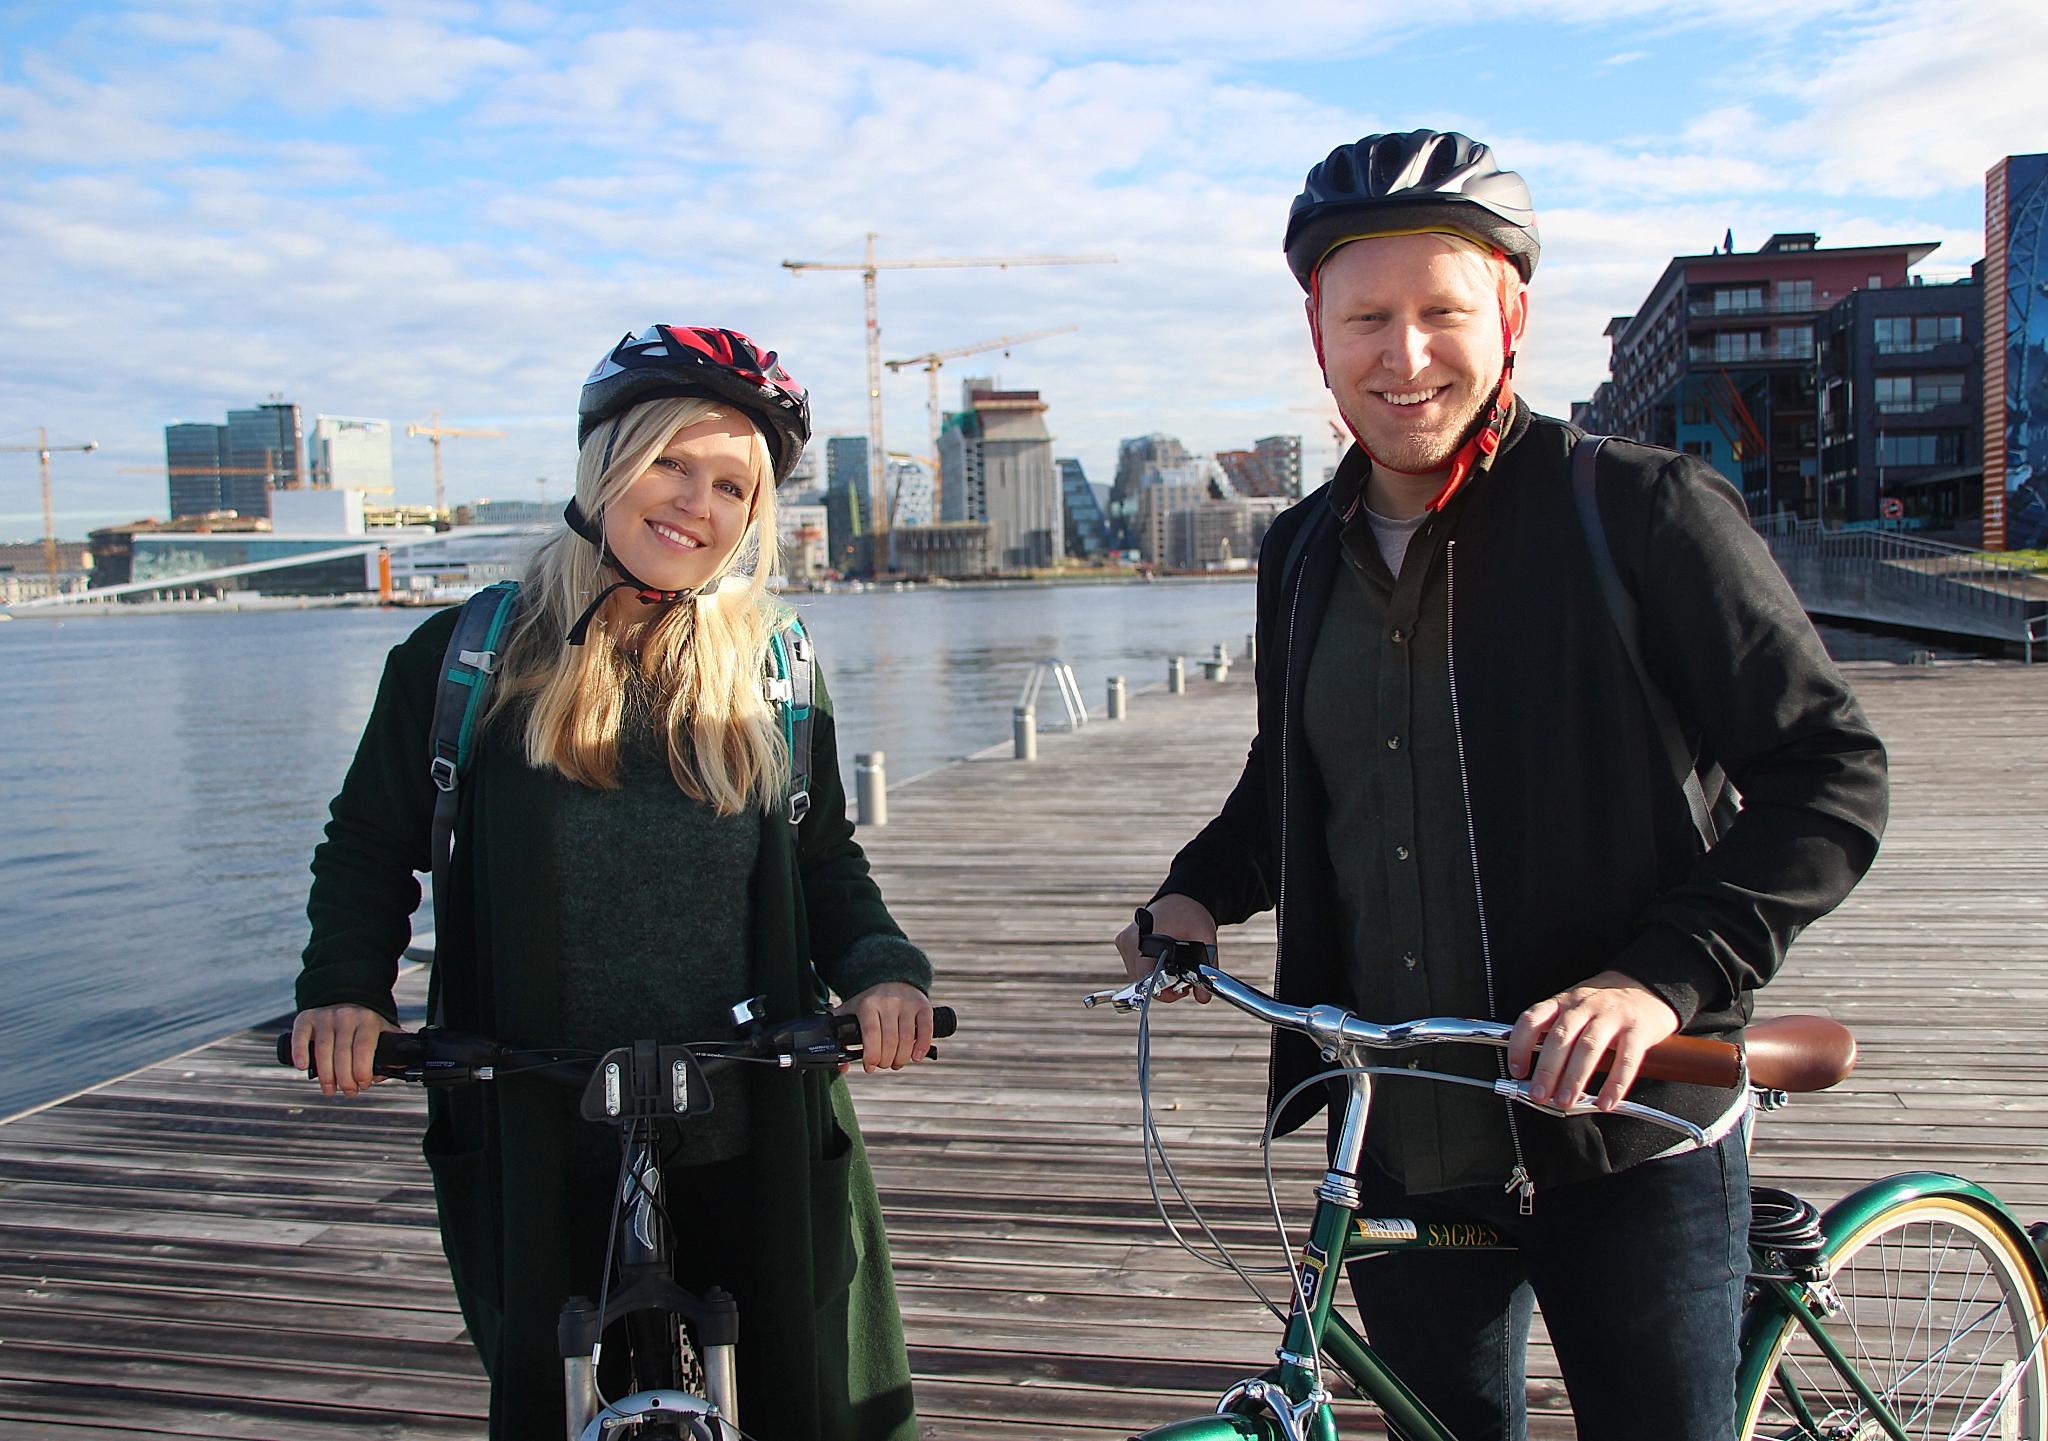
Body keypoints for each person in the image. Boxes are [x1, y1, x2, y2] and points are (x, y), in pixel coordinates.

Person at [1114, 131, 1888, 1441]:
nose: (1403, 355)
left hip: (1632, 1136)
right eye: (1368, 316)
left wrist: (1657, 977)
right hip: (1403, 1142)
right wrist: (1194, 896)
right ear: (1317, 333)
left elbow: (1829, 775)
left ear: (1511, 315)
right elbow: (1291, 782)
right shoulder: (1301, 550)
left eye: (1440, 312)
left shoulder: (1643, 511)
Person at [291, 324, 931, 1441]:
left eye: (732, 484)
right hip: (533, 1108)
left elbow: (823, 856)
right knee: (554, 1402)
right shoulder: (462, 662)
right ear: (604, 464)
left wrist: (882, 971)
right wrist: (347, 989)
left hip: (749, 1106)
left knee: (801, 1393)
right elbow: (365, 848)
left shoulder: (776, 669)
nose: (696, 502)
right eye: (671, 462)